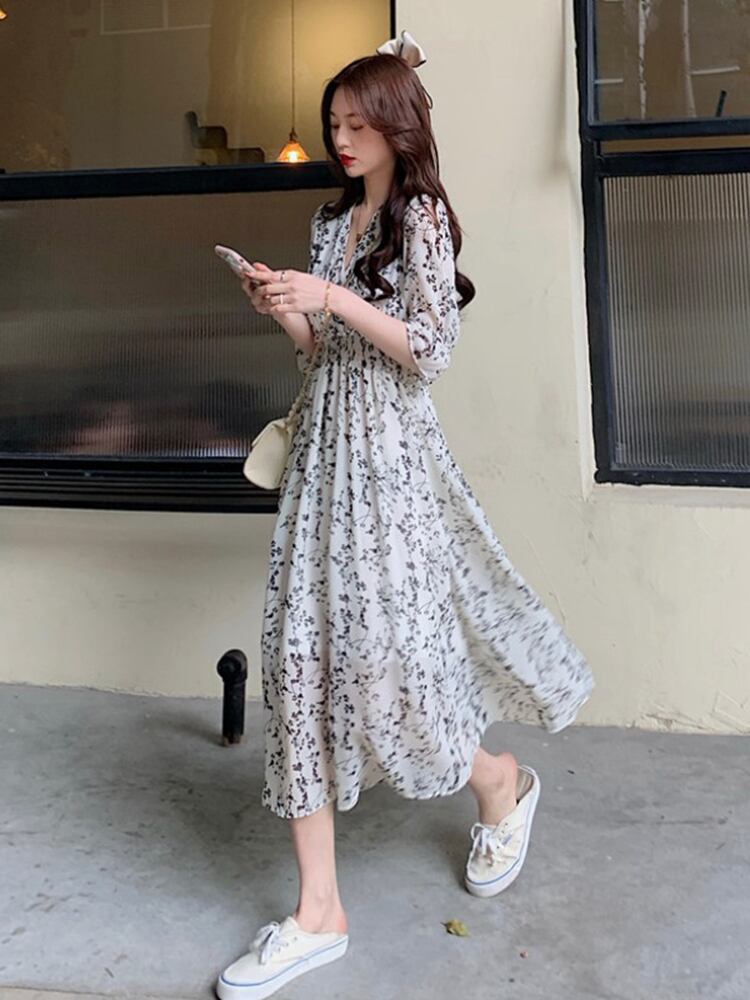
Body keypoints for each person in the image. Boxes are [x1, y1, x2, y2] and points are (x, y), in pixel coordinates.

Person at [215, 29, 594, 1000]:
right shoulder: (328, 220)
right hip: (323, 465)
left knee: (393, 670)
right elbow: (322, 352)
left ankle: (498, 782)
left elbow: (429, 349)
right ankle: (319, 912)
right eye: (333, 123)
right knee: (299, 666)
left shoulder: (419, 218)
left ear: (395, 126)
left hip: (388, 469)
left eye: (356, 123)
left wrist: (332, 297)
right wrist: (284, 305)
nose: (341, 138)